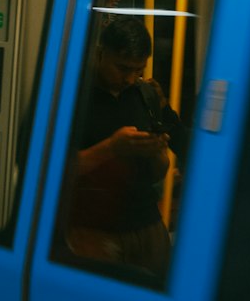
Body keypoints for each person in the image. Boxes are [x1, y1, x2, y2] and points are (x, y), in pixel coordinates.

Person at [64, 16, 186, 278]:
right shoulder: (70, 96)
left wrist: (156, 152)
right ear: (100, 54)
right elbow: (49, 171)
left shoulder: (146, 95)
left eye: (138, 70)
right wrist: (111, 148)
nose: (130, 78)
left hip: (146, 224)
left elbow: (156, 172)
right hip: (90, 228)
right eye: (122, 68)